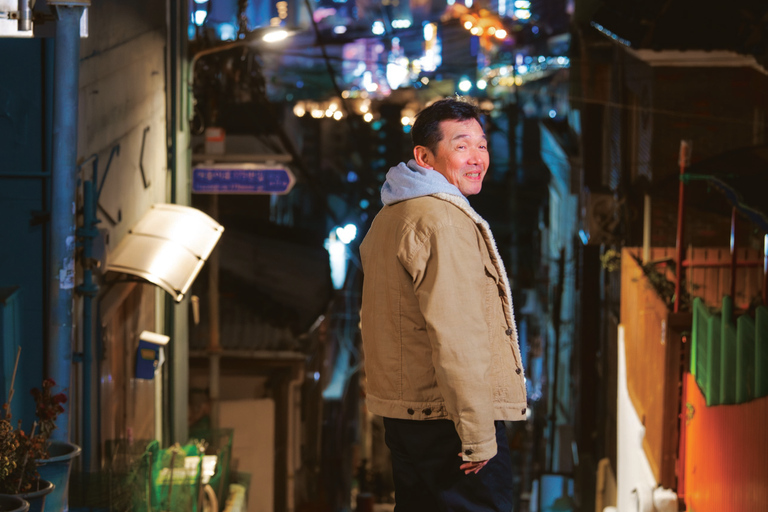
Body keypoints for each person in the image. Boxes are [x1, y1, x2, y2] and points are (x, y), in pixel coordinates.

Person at [359, 97, 527, 511]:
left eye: (482, 145)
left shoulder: (392, 215)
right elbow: (458, 337)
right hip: (447, 420)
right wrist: (477, 435)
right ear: (425, 157)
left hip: (407, 416)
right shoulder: (443, 221)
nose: (477, 158)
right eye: (461, 145)